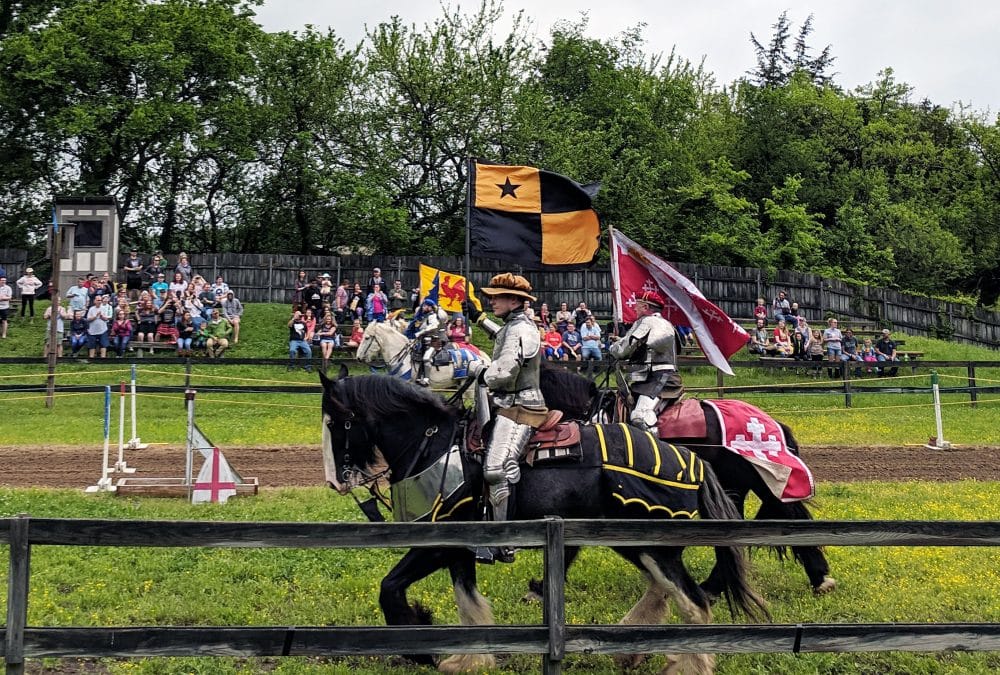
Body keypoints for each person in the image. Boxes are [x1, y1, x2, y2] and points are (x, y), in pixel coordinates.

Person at [470, 272, 547, 564]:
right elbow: (502, 336)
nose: (491, 300)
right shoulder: (514, 326)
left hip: (522, 408)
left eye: (496, 296)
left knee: (496, 468)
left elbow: (504, 373)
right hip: (506, 403)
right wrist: (479, 319)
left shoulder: (521, 330)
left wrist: (478, 370)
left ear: (514, 300)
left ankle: (503, 541)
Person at [609, 291, 682, 430]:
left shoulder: (647, 321)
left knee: (639, 418)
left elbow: (625, 349)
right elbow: (641, 344)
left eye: (637, 305)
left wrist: (612, 348)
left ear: (645, 307)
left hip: (659, 379)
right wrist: (620, 341)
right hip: (655, 377)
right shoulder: (665, 324)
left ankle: (653, 450)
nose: (634, 308)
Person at [409, 299, 445, 385]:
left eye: (425, 306)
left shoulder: (432, 316)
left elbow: (432, 326)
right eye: (423, 305)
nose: (423, 307)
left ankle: (426, 379)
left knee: (426, 358)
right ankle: (418, 376)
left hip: (433, 342)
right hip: (422, 342)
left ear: (430, 307)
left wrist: (420, 333)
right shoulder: (423, 317)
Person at [86, 294, 110, 359]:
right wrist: (95, 316)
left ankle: (103, 359)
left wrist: (102, 317)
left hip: (102, 330)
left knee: (103, 345)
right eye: (98, 300)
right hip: (92, 331)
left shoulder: (104, 308)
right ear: (94, 301)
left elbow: (107, 319)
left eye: (100, 300)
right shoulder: (91, 309)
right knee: (92, 346)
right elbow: (88, 319)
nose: (99, 301)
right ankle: (91, 358)